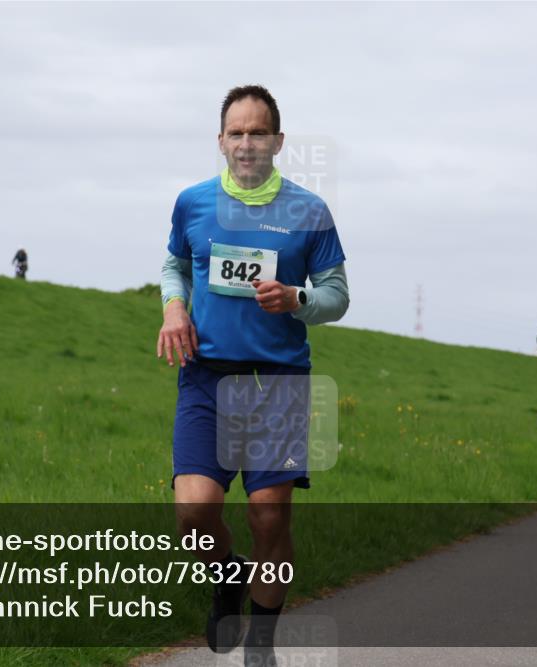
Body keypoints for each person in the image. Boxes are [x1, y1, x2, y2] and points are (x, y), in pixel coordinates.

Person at [156, 85, 349, 664]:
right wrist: (173, 308)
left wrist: (297, 298)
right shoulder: (193, 202)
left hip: (278, 381)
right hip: (207, 378)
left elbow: (336, 296)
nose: (246, 143)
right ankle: (228, 577)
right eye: (236, 133)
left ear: (278, 141)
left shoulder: (309, 211)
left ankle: (261, 642)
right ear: (220, 141)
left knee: (269, 515)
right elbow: (174, 264)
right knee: (194, 513)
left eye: (257, 132)